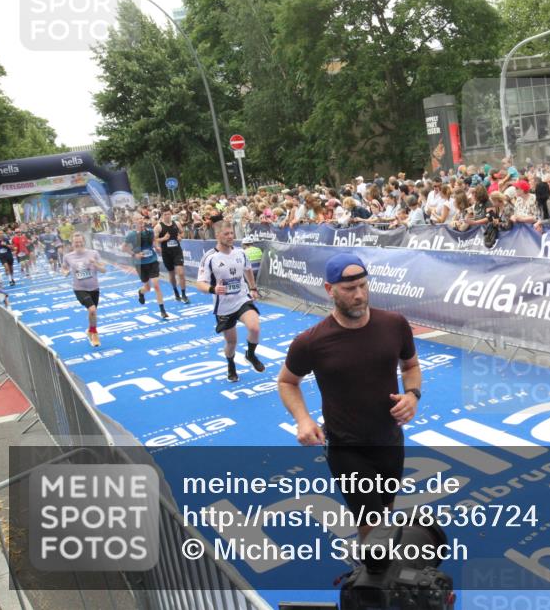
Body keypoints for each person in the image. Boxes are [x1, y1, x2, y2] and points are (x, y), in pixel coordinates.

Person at [278, 254, 422, 543]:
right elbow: (287, 381)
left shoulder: (394, 324)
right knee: (371, 521)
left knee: (386, 509)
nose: (359, 295)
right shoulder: (311, 341)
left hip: (390, 440)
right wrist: (303, 420)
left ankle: (373, 557)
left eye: (363, 286)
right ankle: (369, 571)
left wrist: (412, 395)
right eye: (349, 288)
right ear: (330, 289)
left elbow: (411, 366)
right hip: (346, 447)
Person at [196, 222, 264, 382]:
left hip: (242, 299)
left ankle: (251, 355)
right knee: (231, 342)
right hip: (224, 306)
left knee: (254, 328)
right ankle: (231, 364)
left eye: (232, 233)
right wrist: (213, 289)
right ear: (217, 236)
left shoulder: (241, 252)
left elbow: (248, 269)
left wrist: (253, 288)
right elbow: (200, 283)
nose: (230, 237)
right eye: (226, 234)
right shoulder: (210, 257)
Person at [62, 232, 106, 347]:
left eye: (80, 241)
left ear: (84, 242)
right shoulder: (68, 256)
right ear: (72, 243)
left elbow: (103, 270)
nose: (78, 244)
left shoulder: (93, 253)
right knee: (92, 310)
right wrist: (65, 272)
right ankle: (95, 334)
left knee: (92, 312)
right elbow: (64, 267)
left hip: (94, 287)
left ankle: (90, 330)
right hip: (79, 288)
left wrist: (95, 263)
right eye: (76, 242)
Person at [123, 214, 170, 319]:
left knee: (156, 285)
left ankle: (162, 310)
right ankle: (141, 292)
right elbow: (124, 248)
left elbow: (153, 242)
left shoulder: (149, 231)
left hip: (152, 260)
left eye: (141, 218)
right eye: (137, 219)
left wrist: (157, 248)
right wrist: (135, 255)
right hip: (140, 264)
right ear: (133, 222)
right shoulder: (131, 235)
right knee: (147, 288)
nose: (140, 220)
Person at [155, 209, 190, 304]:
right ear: (162, 215)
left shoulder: (177, 224)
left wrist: (180, 237)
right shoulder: (159, 227)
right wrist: (163, 238)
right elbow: (154, 240)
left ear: (171, 214)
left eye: (169, 214)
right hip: (166, 253)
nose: (167, 216)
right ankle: (175, 291)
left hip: (177, 251)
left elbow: (182, 232)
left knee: (181, 273)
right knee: (171, 274)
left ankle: (184, 294)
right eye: (165, 214)